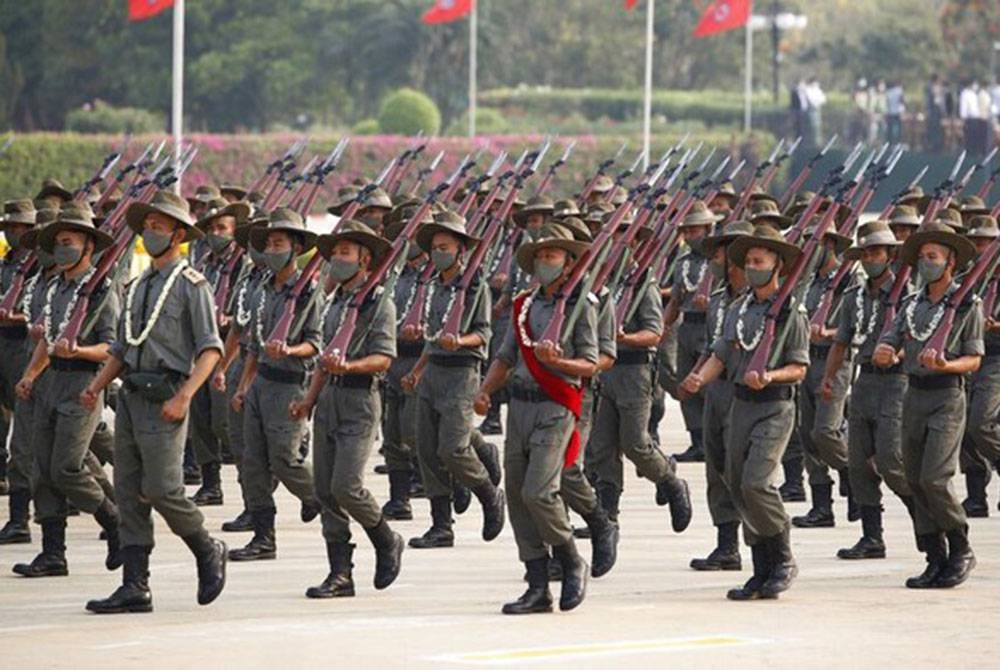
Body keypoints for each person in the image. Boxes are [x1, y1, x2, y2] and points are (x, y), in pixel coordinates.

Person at [82, 189, 227, 614]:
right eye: (146, 227)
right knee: (128, 492)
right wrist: (96, 385)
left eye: (158, 227)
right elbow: (124, 348)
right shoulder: (140, 284)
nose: (149, 233)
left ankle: (205, 546)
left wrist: (185, 396)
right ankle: (135, 584)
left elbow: (210, 349)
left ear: (178, 234)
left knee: (163, 489)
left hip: (166, 397)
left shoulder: (191, 286)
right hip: (131, 397)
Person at [681, 225, 809, 600]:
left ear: (777, 266)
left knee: (757, 482)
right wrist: (698, 379)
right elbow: (721, 353)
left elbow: (799, 367)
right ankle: (761, 567)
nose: (751, 267)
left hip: (774, 406)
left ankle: (783, 556)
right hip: (741, 405)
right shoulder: (738, 309)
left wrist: (770, 374)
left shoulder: (789, 313)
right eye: (748, 261)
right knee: (737, 485)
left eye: (759, 261)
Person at [475, 225, 597, 614]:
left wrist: (559, 362)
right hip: (520, 408)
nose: (544, 262)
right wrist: (485, 390)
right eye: (540, 256)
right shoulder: (524, 305)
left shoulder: (582, 306)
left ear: (568, 263)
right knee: (516, 497)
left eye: (553, 256)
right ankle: (537, 584)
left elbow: (591, 363)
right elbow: (506, 356)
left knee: (539, 492)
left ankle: (571, 557)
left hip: (555, 406)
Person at [294, 219, 404, 598]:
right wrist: (309, 399)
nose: (336, 260)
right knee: (325, 490)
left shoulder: (379, 304)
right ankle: (340, 573)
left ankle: (386, 539)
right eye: (335, 253)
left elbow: (384, 358)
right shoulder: (333, 302)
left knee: (347, 485)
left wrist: (351, 366)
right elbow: (325, 358)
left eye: (345, 253)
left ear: (365, 259)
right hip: (328, 399)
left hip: (359, 399)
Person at [11, 203, 122, 577]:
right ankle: (53, 552)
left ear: (89, 246)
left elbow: (112, 347)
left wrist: (80, 351)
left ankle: (114, 520)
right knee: (40, 469)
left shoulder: (103, 290)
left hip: (82, 383)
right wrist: (30, 374)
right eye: (58, 242)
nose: (61, 248)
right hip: (50, 381)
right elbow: (48, 338)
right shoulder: (56, 286)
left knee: (67, 468)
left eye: (68, 241)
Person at [874, 222, 982, 589]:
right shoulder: (911, 304)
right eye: (921, 258)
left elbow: (974, 358)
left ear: (951, 261)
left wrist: (947, 364)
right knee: (916, 480)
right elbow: (889, 341)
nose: (925, 263)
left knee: (935, 477)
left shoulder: (968, 305)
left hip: (947, 395)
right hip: (913, 393)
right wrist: (885, 351)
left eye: (932, 257)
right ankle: (935, 556)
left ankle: (961, 546)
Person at [402, 211, 505, 549]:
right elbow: (432, 336)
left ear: (461, 249)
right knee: (427, 450)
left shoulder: (475, 287)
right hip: (433, 371)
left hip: (462, 372)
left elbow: (483, 334)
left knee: (453, 448)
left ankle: (488, 494)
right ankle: (441, 525)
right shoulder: (432, 286)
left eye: (446, 247)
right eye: (435, 248)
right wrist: (417, 370)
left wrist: (459, 341)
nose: (439, 253)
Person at [228, 208, 323, 561]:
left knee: (284, 459)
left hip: (290, 384)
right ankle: (263, 537)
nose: (271, 249)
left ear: (296, 248)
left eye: (278, 243)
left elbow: (317, 343)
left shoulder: (311, 292)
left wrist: (290, 349)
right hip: (260, 383)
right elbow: (252, 343)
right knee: (253, 462)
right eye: (268, 243)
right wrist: (243, 385)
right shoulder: (261, 290)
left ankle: (318, 496)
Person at [823, 221, 916, 560]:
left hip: (897, 381)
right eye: (865, 252)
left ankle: (926, 519)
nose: (870, 257)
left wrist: (898, 353)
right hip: (864, 380)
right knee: (860, 461)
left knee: (891, 459)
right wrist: (829, 378)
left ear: (891, 254)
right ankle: (872, 537)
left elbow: (919, 337)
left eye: (876, 251)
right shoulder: (854, 296)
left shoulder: (909, 293)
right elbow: (842, 340)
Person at [683, 220, 753, 572]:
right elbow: (713, 346)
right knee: (717, 468)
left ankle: (763, 548)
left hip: (747, 392)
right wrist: (696, 375)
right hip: (717, 389)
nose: (715, 258)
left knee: (745, 473)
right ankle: (727, 546)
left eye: (722, 252)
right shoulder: (717, 298)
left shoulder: (762, 301)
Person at [957, 216, 1000, 517]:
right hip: (969, 358)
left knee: (981, 423)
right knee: (965, 431)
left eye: (987, 241)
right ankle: (976, 496)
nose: (981, 247)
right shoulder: (966, 279)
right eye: (977, 242)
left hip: (996, 358)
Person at [886, 81, 906, 146]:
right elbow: (902, 100)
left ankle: (890, 143)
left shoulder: (888, 92)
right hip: (898, 112)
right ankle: (898, 143)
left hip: (890, 112)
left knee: (890, 129)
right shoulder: (899, 91)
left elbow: (887, 102)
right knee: (899, 129)